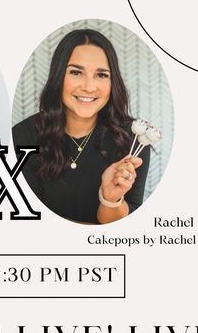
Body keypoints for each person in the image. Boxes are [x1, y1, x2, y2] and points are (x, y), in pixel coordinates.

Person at [12, 29, 150, 224]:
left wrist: (110, 200)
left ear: (112, 82)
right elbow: (27, 221)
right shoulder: (22, 136)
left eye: (101, 75)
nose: (88, 86)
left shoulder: (133, 140)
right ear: (58, 77)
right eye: (76, 72)